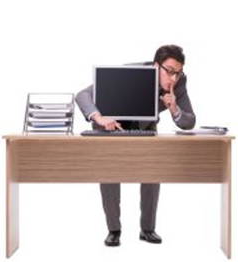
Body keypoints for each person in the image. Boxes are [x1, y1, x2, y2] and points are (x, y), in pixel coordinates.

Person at [73, 44, 196, 247]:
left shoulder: (179, 82)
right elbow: (83, 95)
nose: (174, 78)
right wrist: (99, 117)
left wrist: (174, 108)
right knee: (110, 173)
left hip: (145, 127)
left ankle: (147, 229)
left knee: (152, 171)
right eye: (170, 72)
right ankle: (114, 230)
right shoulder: (132, 72)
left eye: (179, 72)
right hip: (111, 125)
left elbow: (188, 121)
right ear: (157, 66)